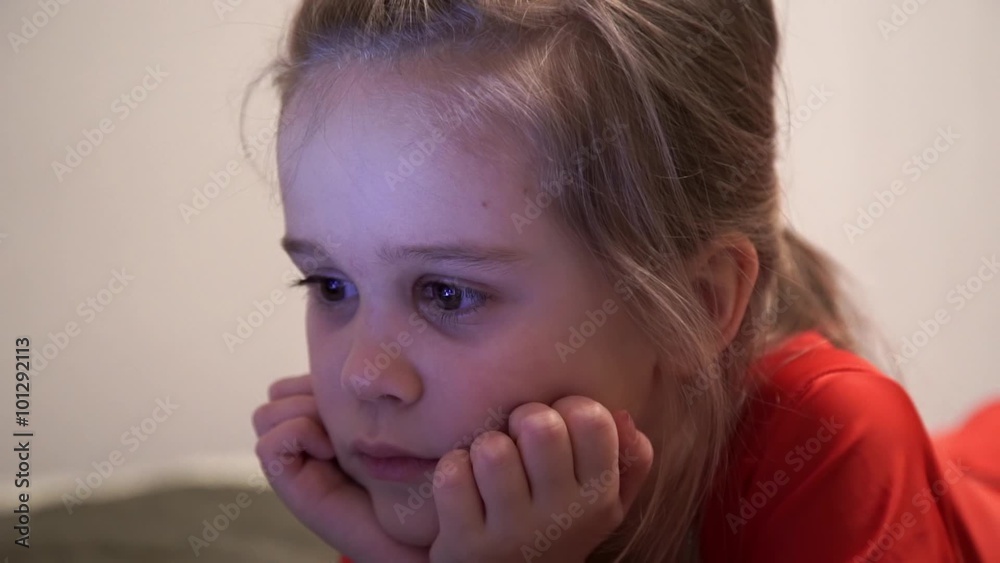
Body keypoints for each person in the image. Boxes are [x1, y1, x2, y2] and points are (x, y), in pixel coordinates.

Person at [250, 0, 1000, 561]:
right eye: (331, 286)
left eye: (448, 293)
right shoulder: (431, 479)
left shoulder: (832, 442)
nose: (363, 375)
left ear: (700, 305)